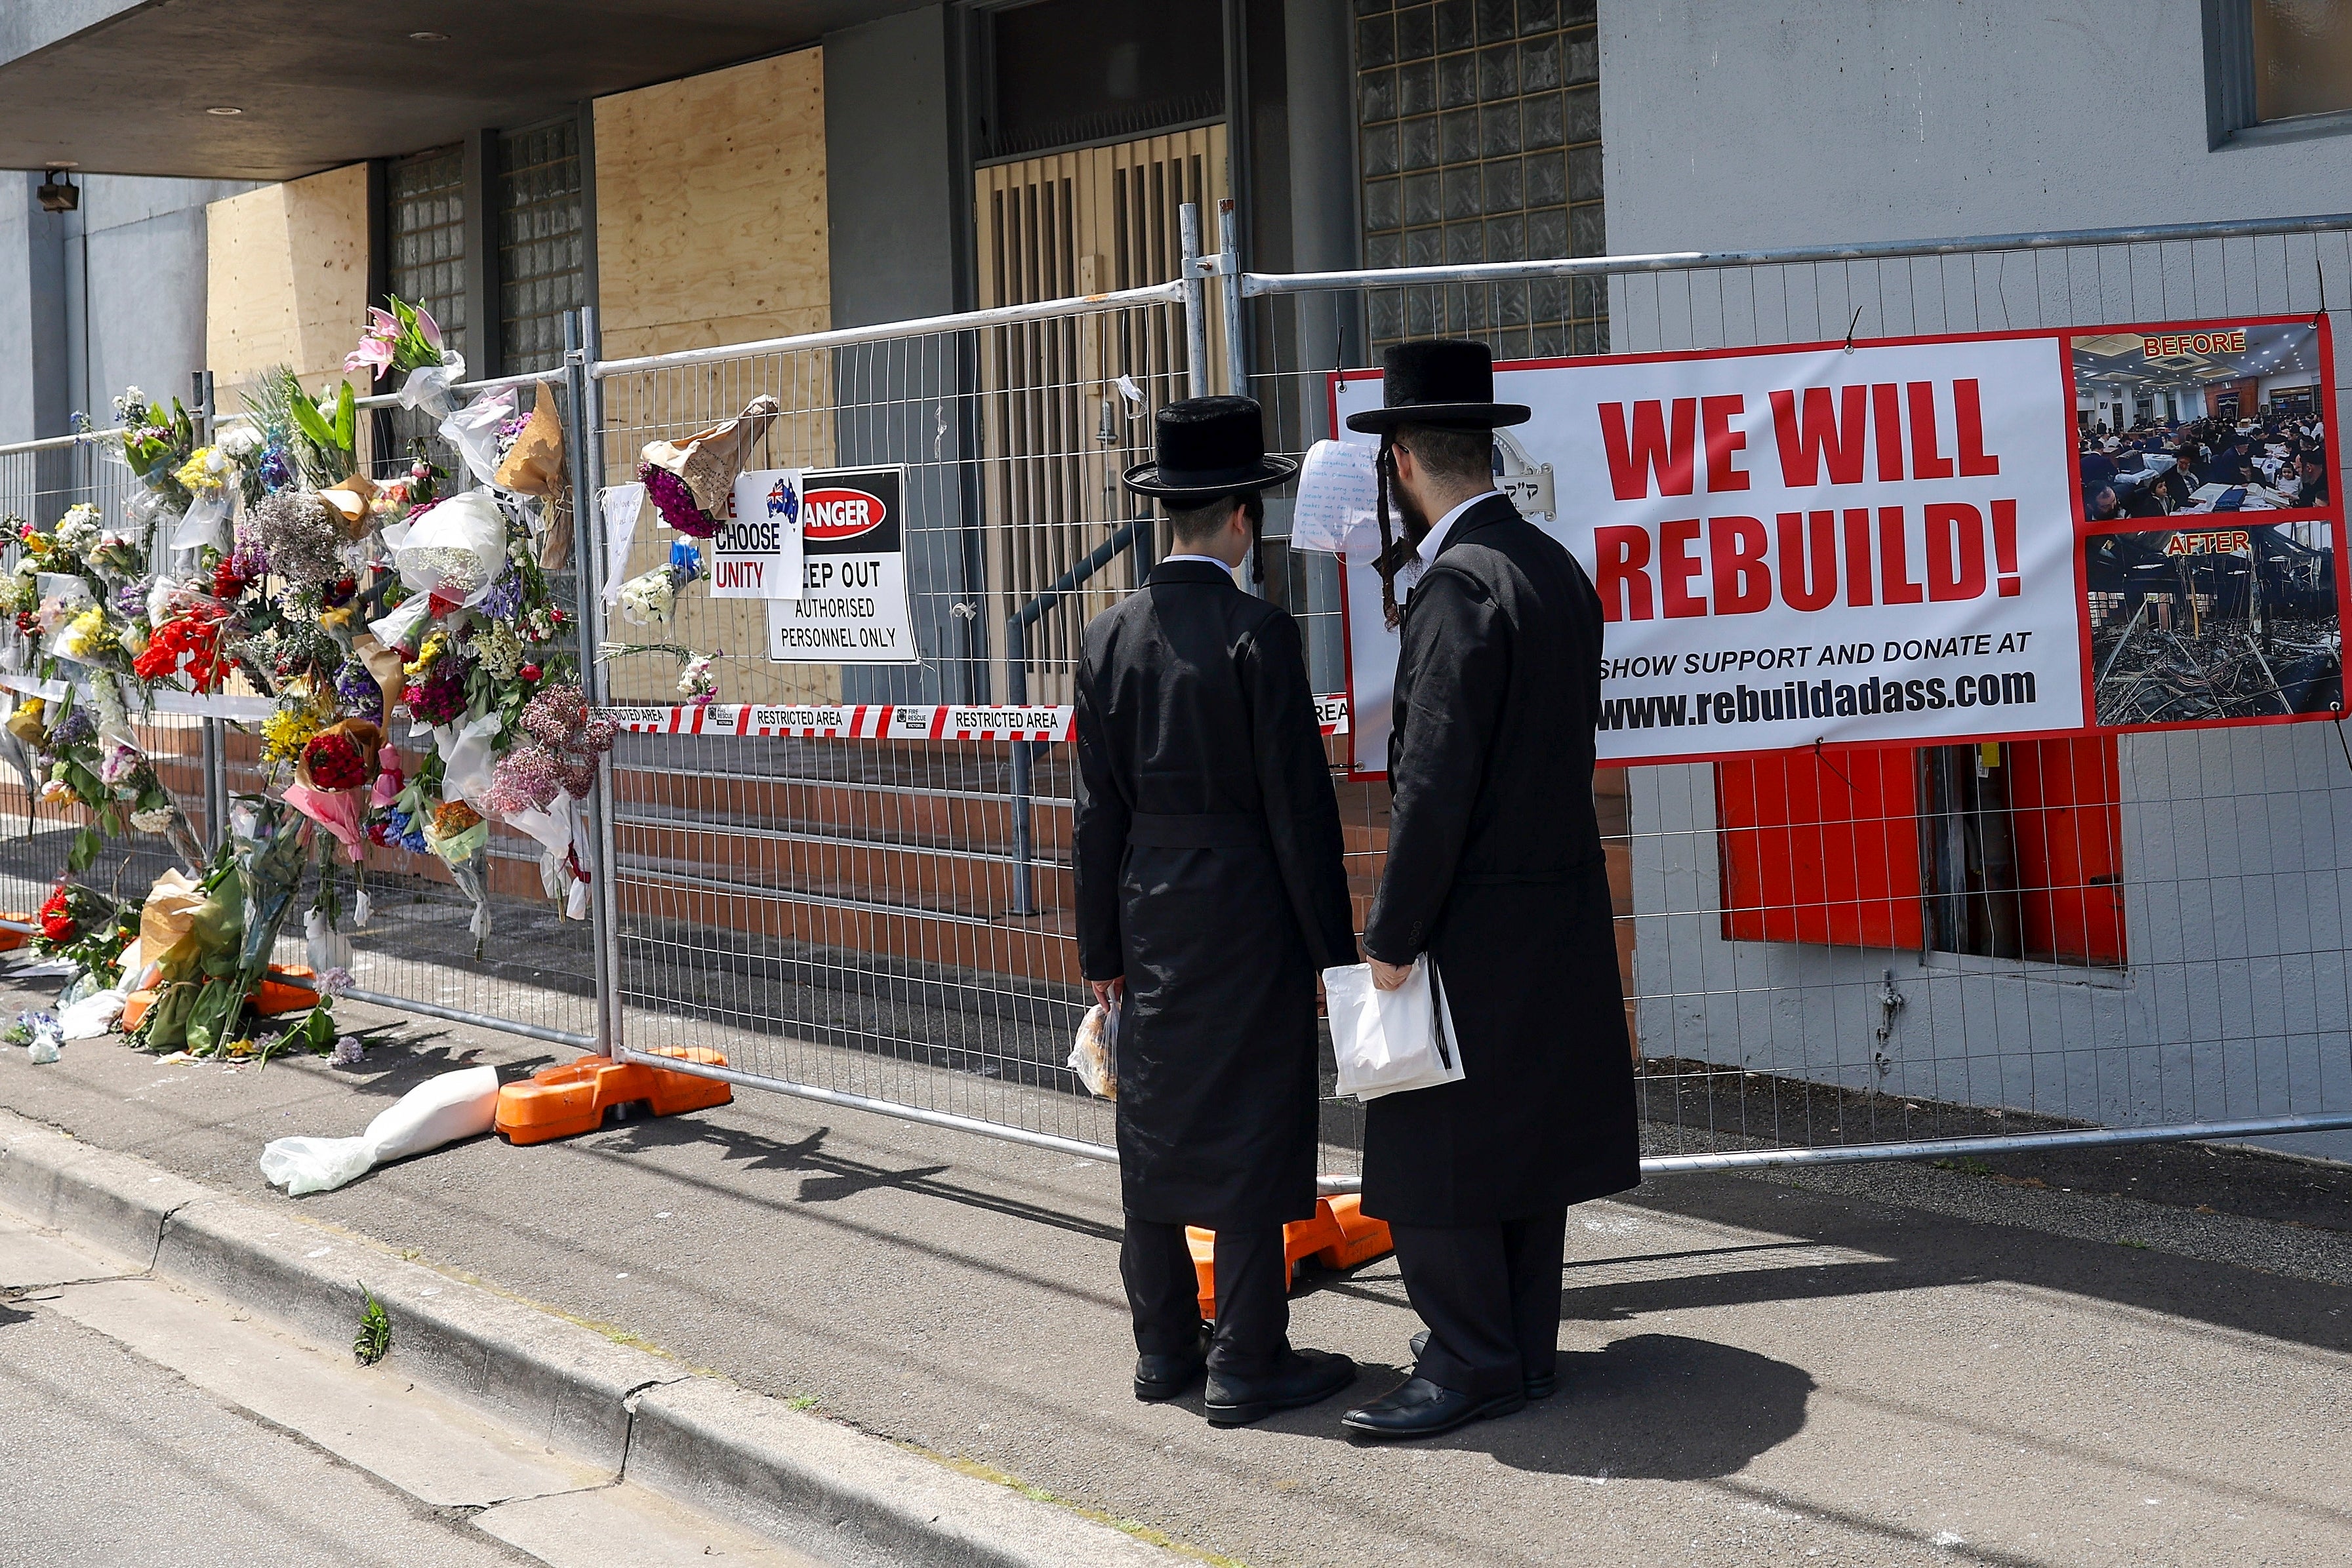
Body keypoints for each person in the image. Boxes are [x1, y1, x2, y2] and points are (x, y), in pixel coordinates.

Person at [1333, 340, 1639, 1441]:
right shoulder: (1550, 564)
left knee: (1436, 1145)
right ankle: (1520, 1347)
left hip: (1472, 908)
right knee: (1525, 1136)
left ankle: (1468, 1359)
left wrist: (1393, 930)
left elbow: (1434, 780)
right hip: (1553, 896)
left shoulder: (1457, 588)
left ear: (1403, 458)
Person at [1072, 394, 1361, 1428]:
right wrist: (1335, 956)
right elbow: (1300, 814)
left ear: (1170, 516)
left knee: (1151, 1121)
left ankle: (1161, 1350)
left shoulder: (1105, 639)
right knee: (1250, 1121)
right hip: (1247, 910)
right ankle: (1246, 1358)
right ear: (1242, 517)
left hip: (1146, 909)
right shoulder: (1260, 635)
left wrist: (1098, 951)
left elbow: (1092, 814)